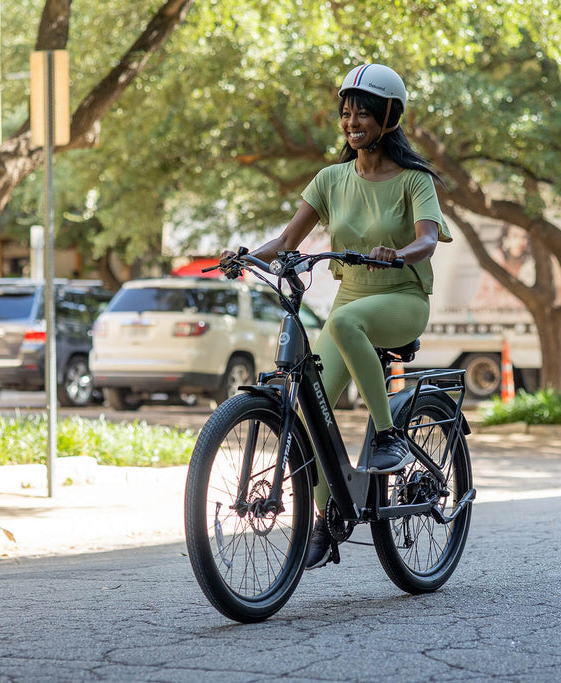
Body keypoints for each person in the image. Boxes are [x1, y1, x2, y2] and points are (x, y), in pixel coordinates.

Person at [221, 63, 451, 569]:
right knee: (311, 404)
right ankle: (329, 518)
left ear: (388, 117)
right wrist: (243, 258)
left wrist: (401, 252)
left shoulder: (414, 181)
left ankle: (389, 435)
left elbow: (429, 238)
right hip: (352, 302)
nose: (351, 122)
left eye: (363, 113)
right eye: (346, 113)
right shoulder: (330, 179)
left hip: (402, 300)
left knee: (346, 325)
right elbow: (285, 242)